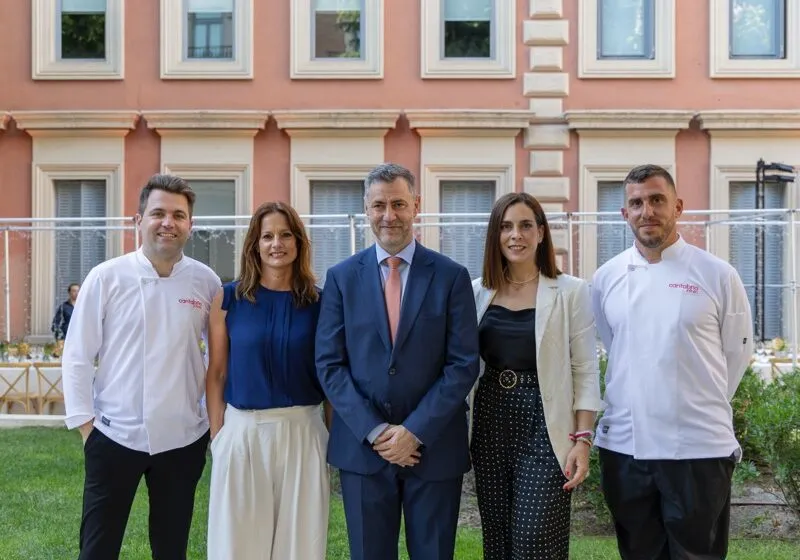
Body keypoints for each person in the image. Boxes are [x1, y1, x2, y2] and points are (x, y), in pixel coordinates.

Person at [315, 162, 480, 560]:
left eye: (398, 204)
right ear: (366, 209)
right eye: (378, 205)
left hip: (434, 448)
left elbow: (462, 364)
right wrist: (376, 432)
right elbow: (329, 365)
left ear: (416, 206)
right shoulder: (340, 278)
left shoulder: (450, 276)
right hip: (363, 450)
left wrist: (414, 431)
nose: (389, 215)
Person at [591, 164, 754, 560]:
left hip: (699, 447)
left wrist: (694, 400)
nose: (647, 211)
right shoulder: (605, 278)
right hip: (626, 448)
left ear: (677, 206)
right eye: (636, 203)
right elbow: (617, 348)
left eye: (657, 200)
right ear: (624, 213)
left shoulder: (717, 274)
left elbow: (737, 352)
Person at [62, 174, 221, 560]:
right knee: (98, 548)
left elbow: (215, 359)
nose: (168, 222)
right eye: (158, 213)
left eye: (178, 215)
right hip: (114, 435)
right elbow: (78, 355)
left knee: (171, 548)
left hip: (183, 439)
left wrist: (207, 425)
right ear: (138, 220)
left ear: (190, 225)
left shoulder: (207, 282)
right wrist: (87, 427)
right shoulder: (106, 277)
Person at [469, 192, 603, 559]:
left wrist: (583, 440)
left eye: (526, 225)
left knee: (535, 543)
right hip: (490, 420)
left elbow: (585, 371)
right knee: (497, 542)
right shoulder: (477, 292)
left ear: (541, 233)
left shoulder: (571, 292)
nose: (516, 235)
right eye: (506, 226)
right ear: (495, 235)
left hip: (545, 425)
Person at [205, 201, 331, 560]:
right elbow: (216, 372)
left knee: (300, 544)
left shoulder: (319, 303)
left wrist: (329, 436)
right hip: (243, 431)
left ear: (299, 242)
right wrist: (219, 436)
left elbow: (329, 374)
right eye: (268, 236)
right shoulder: (228, 299)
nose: (277, 243)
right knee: (238, 544)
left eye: (286, 235)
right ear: (255, 245)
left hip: (303, 431)